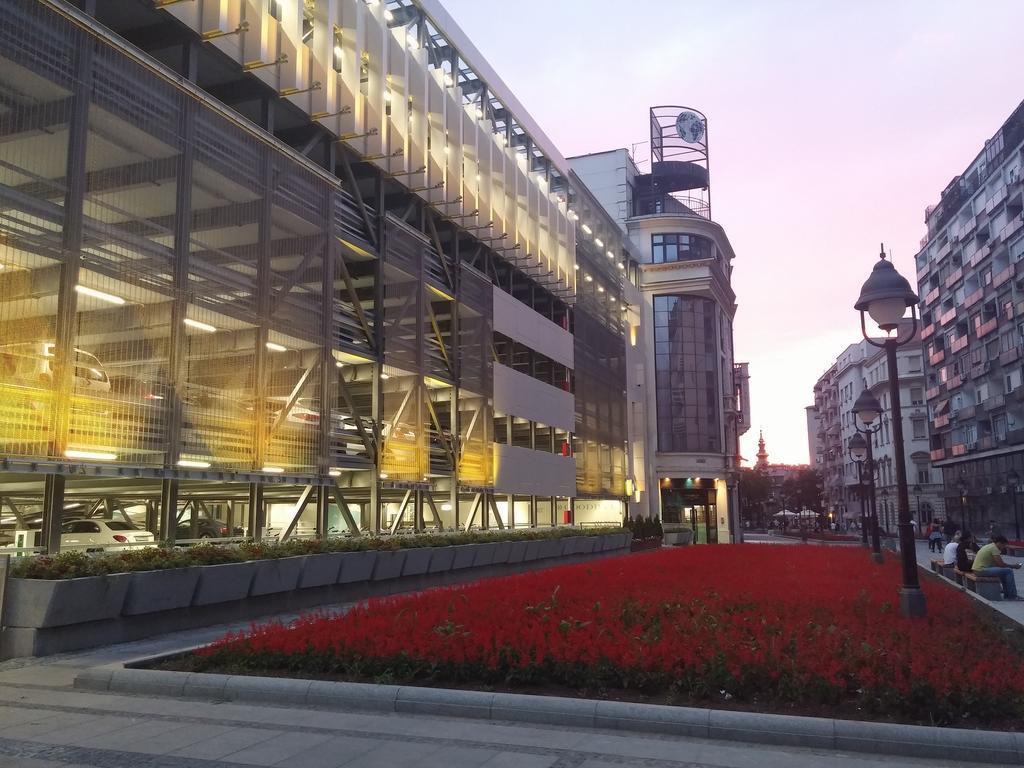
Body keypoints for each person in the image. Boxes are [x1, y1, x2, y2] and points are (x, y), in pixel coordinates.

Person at [972, 534, 1022, 600]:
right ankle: (1012, 596)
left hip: (977, 569)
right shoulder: (994, 548)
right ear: (999, 543)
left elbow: (998, 564)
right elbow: (1001, 564)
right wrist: (1014, 566)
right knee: (1008, 571)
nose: (1003, 547)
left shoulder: (990, 546)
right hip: (981, 570)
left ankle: (1008, 595)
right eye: (1003, 545)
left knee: (1004, 572)